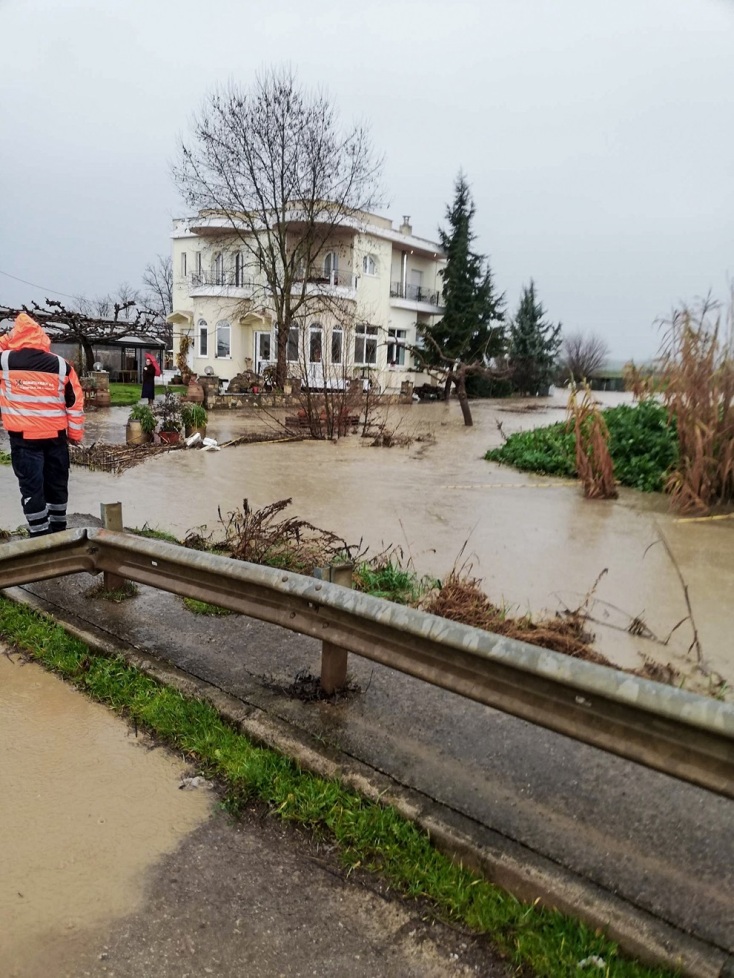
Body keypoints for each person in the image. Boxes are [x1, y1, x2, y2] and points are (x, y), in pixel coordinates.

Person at [0, 313, 85, 537]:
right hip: (56, 438)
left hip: (24, 440)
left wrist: (7, 339)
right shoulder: (62, 366)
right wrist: (75, 434)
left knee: (32, 487)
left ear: (16, 336)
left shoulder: (5, 361)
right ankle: (59, 532)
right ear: (41, 336)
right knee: (57, 484)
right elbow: (74, 403)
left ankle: (40, 536)